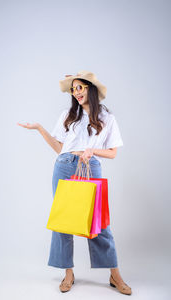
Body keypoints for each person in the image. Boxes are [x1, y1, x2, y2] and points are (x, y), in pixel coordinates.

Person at [17, 70, 132, 295]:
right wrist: (40, 128)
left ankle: (115, 275)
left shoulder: (107, 118)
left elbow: (112, 153)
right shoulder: (68, 115)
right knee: (64, 222)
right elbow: (61, 148)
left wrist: (92, 151)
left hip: (91, 167)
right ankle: (68, 273)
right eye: (73, 89)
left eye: (80, 87)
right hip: (63, 166)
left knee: (99, 224)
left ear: (91, 88)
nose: (76, 92)